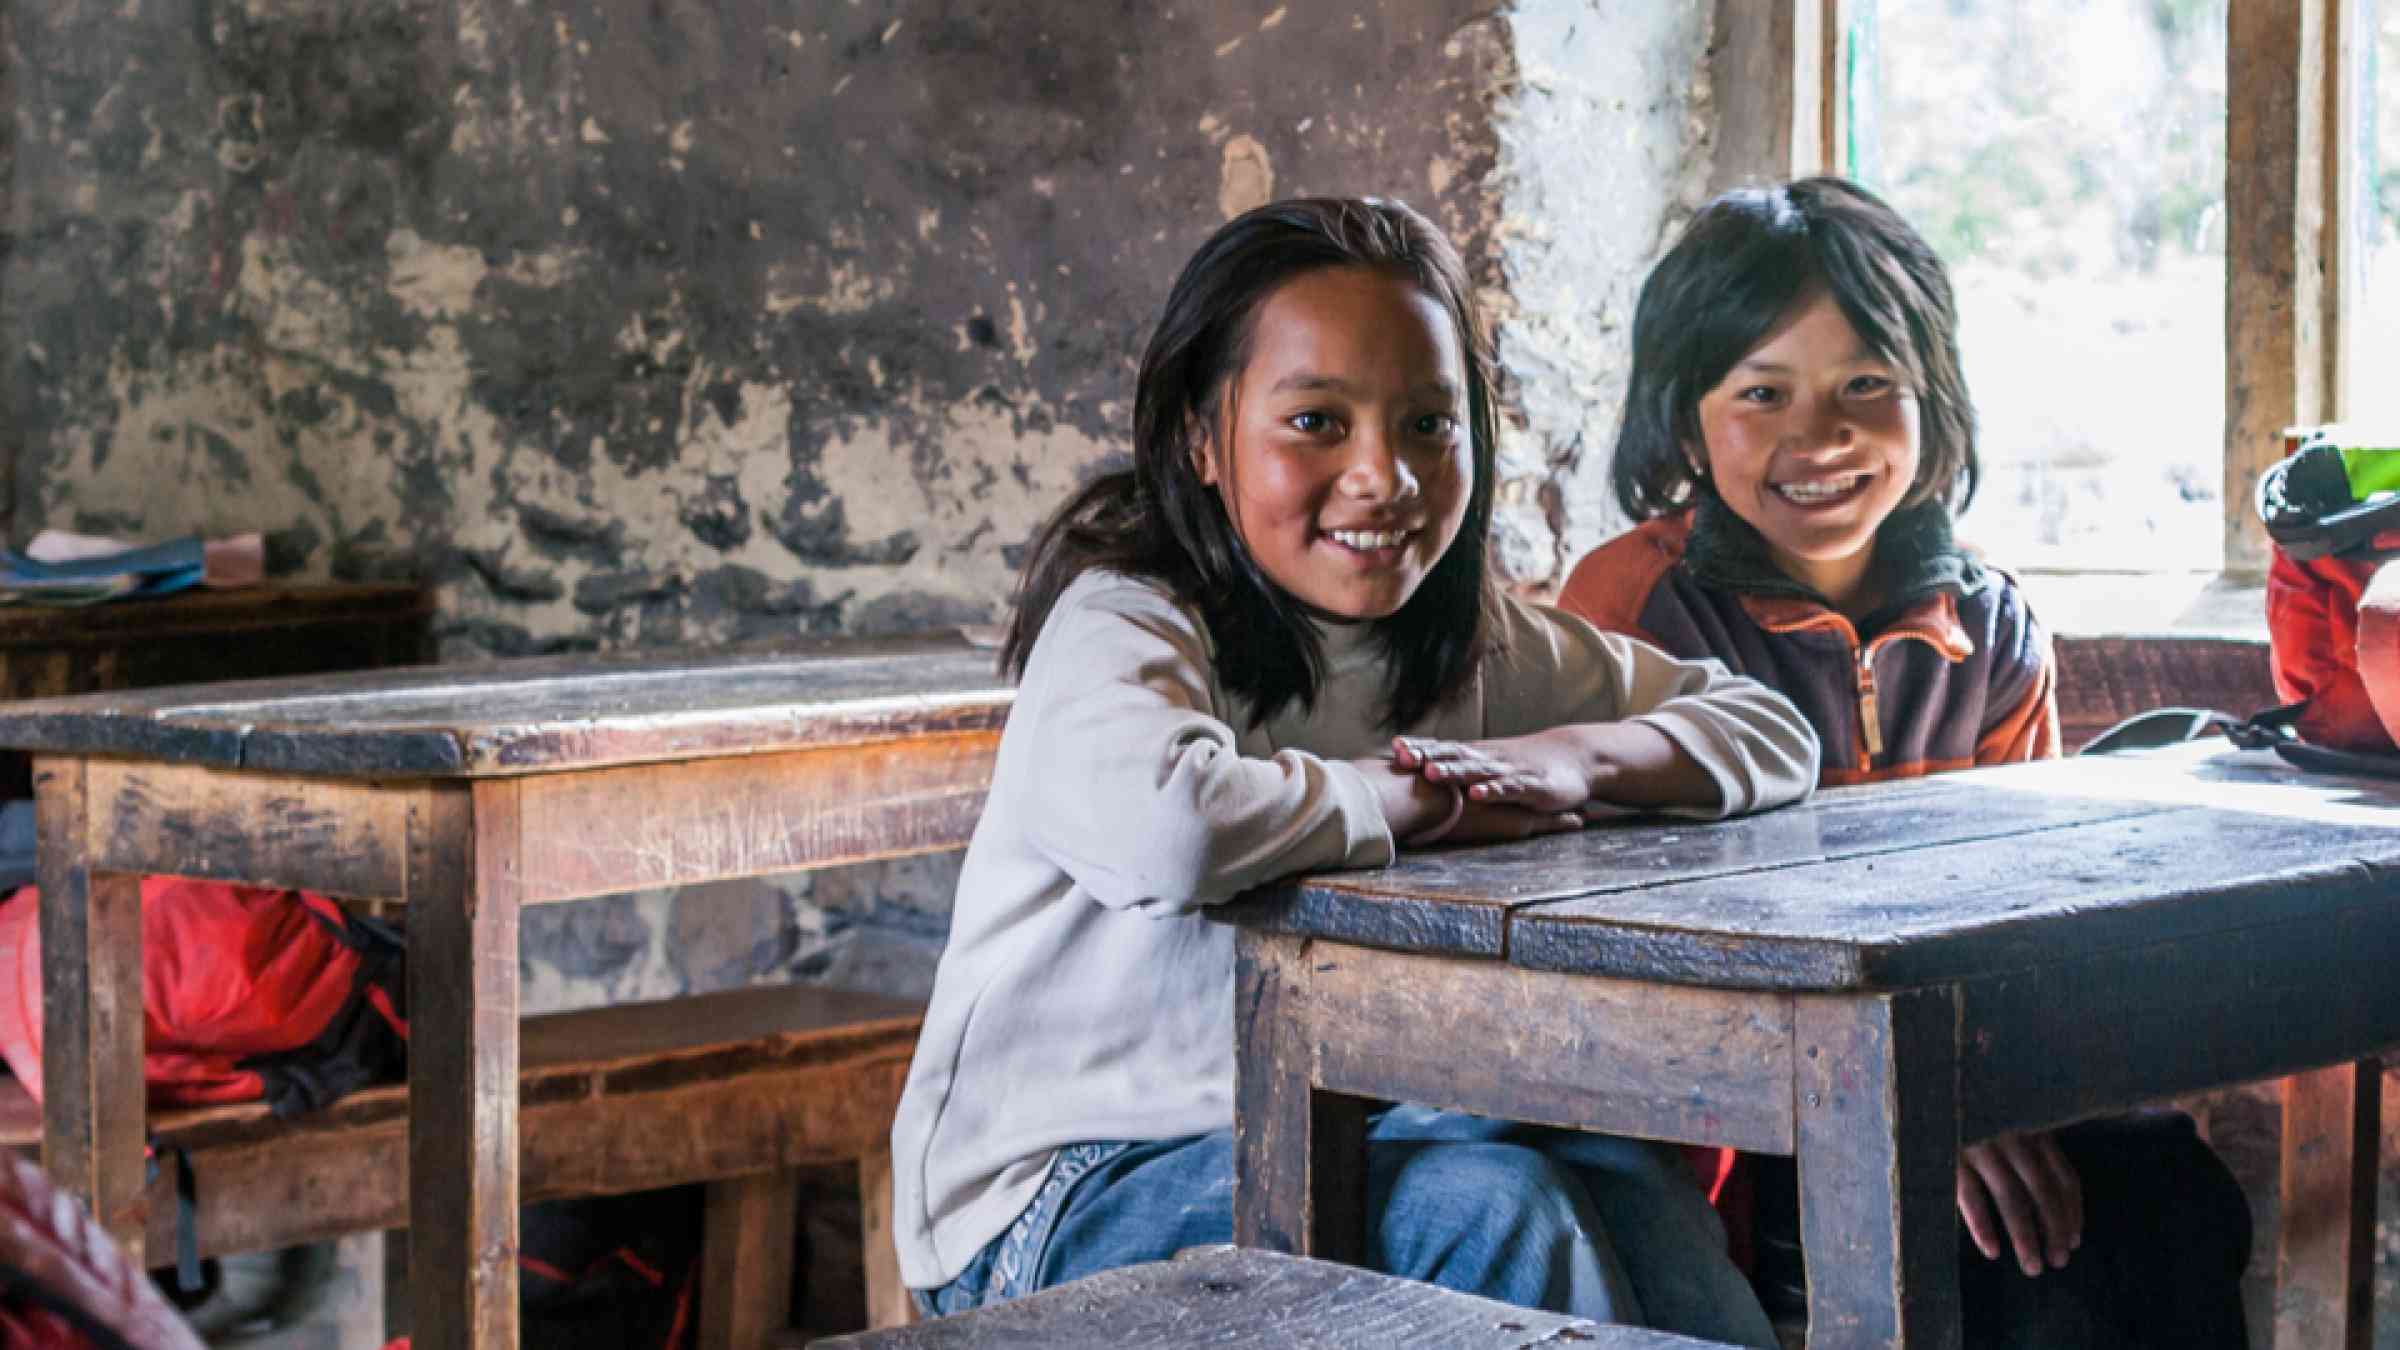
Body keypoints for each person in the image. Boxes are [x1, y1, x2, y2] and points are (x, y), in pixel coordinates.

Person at [889, 196, 1819, 1345]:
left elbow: (1768, 730)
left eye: (1429, 424)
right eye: (1317, 422)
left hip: (1347, 1127)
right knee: (1492, 1216)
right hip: (1059, 1192)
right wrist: (1409, 797)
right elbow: (1167, 831)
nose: (1383, 476)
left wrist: (1571, 761)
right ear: (1202, 437)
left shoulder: (1475, 644)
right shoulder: (1129, 621)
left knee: (1631, 1188)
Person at [1551, 175, 2253, 1349]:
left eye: (1866, 386)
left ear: (1933, 398)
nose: (1817, 437)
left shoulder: (1991, 631)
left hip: (1975, 1078)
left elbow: (2026, 926)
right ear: (1685, 423)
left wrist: (1969, 1099)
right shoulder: (1632, 615)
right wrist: (1904, 1104)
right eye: (1761, 393)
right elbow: (1639, 947)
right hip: (1732, 1118)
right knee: (2023, 1265)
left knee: (2165, 1200)